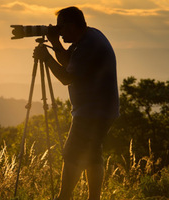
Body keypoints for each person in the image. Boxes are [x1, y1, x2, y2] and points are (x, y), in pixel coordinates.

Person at [34, 6, 119, 200]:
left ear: (71, 25)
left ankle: (64, 197)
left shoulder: (89, 44)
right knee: (92, 155)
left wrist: (46, 58)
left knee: (72, 153)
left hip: (92, 111)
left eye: (60, 27)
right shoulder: (88, 38)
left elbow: (66, 77)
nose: (59, 31)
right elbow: (68, 62)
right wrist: (55, 43)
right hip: (103, 110)